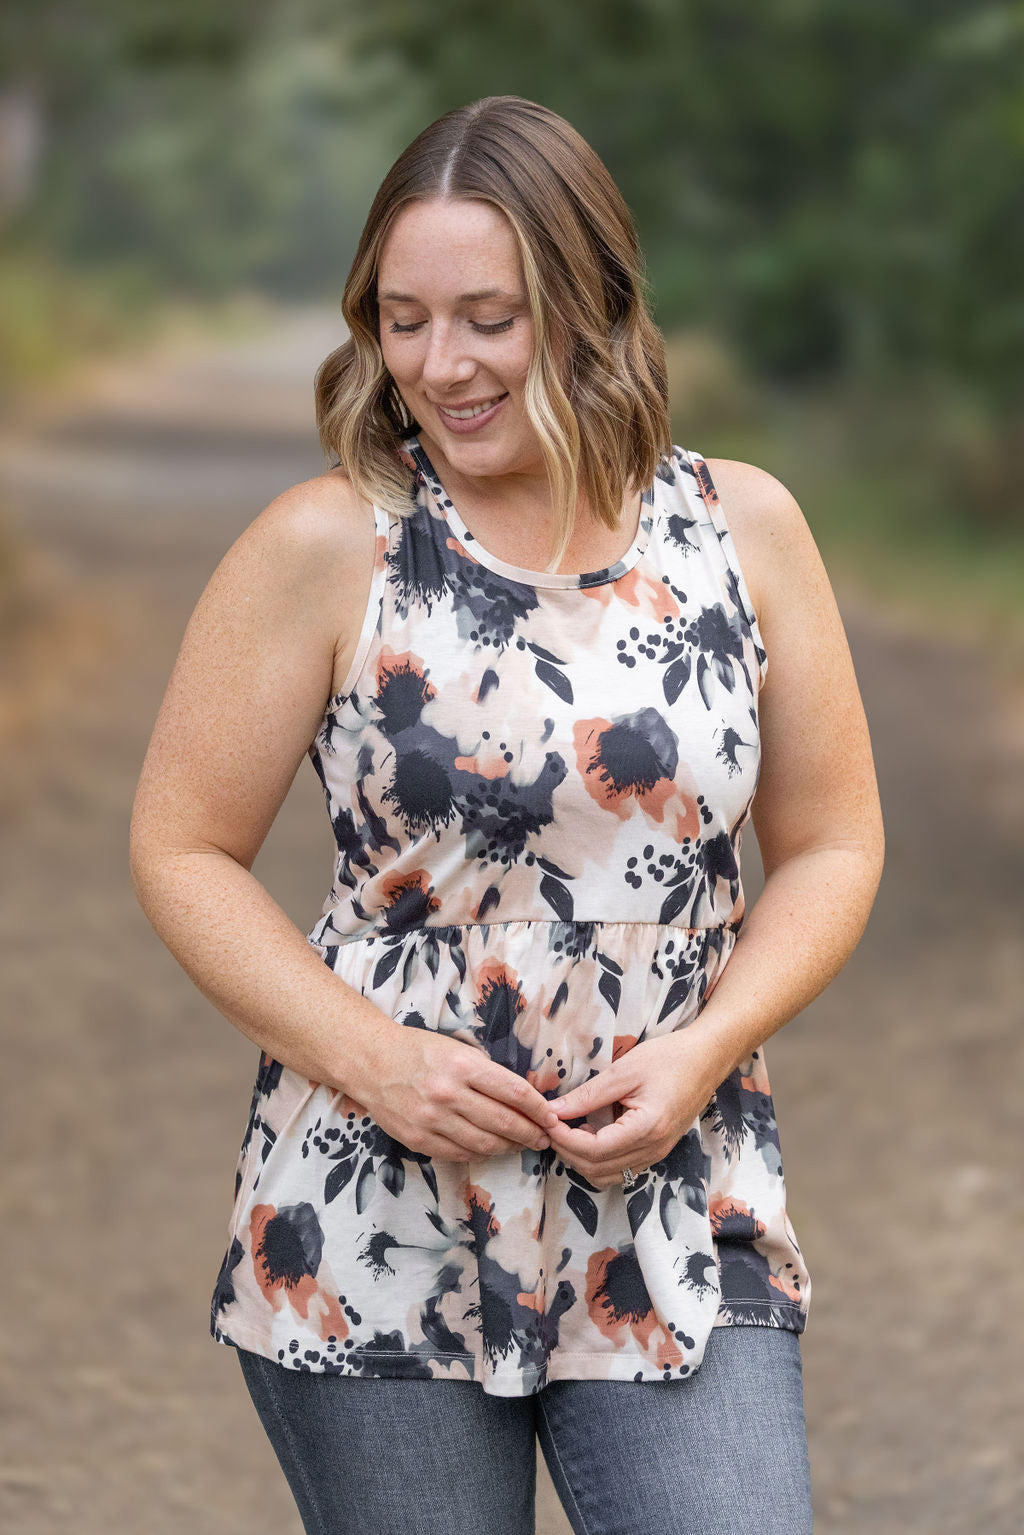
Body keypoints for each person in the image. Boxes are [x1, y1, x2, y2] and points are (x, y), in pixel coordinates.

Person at [129, 95, 884, 1535]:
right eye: (403, 319)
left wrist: (707, 1048)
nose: (440, 364)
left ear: (593, 304)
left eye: (489, 316)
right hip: (378, 1216)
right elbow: (179, 848)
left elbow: (836, 843)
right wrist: (371, 1057)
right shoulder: (322, 544)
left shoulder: (747, 531)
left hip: (674, 1205)